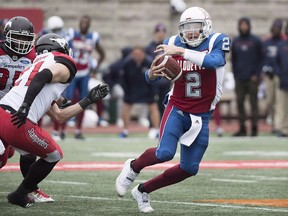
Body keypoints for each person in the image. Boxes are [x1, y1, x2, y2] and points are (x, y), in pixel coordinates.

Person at [115, 7, 230, 213]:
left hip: (202, 115)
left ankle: (142, 190)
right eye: (187, 28)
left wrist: (182, 52)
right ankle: (133, 167)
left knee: (189, 168)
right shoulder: (171, 42)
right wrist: (150, 75)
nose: (191, 33)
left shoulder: (217, 40)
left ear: (207, 27)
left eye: (196, 28)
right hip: (177, 107)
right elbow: (151, 76)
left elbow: (215, 61)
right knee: (165, 152)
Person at [0, 33, 109, 208]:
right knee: (54, 154)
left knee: (21, 155)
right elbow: (42, 77)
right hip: (17, 119)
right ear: (61, 49)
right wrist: (26, 106)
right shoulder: (63, 62)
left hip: (2, 114)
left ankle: (29, 190)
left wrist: (88, 100)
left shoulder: (33, 67)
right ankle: (20, 194)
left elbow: (59, 115)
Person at [0, 16, 56, 203]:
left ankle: (30, 188)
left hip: (14, 110)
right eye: (17, 37)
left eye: (26, 39)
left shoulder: (34, 57)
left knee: (26, 151)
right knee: (2, 155)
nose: (22, 43)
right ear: (7, 35)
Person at [65, 15, 106, 139]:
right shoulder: (71, 34)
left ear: (89, 24)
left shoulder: (93, 37)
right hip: (72, 71)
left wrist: (96, 67)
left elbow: (102, 54)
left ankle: (78, 129)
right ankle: (66, 123)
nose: (84, 24)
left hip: (85, 72)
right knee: (69, 97)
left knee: (84, 100)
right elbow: (64, 48)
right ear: (79, 23)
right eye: (82, 22)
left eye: (86, 23)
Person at [118, 46, 160, 138]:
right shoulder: (127, 64)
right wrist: (126, 91)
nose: (137, 56)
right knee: (126, 108)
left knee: (153, 107)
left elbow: (155, 78)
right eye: (135, 54)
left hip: (147, 90)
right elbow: (123, 79)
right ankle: (125, 130)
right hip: (131, 90)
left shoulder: (150, 63)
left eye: (139, 54)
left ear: (143, 54)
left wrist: (154, 92)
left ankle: (157, 130)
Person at [231, 17, 263, 136]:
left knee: (253, 103)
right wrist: (235, 75)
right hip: (239, 78)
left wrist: (257, 74)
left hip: (252, 78)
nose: (243, 27)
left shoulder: (255, 41)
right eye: (241, 25)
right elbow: (233, 60)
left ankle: (254, 128)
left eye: (245, 24)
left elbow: (261, 59)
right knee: (240, 103)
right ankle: (242, 128)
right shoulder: (236, 41)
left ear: (249, 25)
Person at [262, 19, 284, 135]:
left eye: (278, 28)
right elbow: (263, 57)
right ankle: (273, 121)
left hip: (279, 75)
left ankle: (277, 125)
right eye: (275, 27)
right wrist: (265, 68)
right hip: (268, 75)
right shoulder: (267, 42)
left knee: (279, 101)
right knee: (269, 100)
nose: (276, 30)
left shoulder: (283, 42)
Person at [145, 23, 171, 118]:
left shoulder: (168, 46)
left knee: (165, 104)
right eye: (158, 31)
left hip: (166, 79)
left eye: (162, 31)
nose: (160, 34)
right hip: (154, 80)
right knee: (153, 104)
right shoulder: (149, 47)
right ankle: (153, 125)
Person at [275, 23, 288, 137]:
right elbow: (277, 62)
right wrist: (280, 74)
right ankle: (283, 128)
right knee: (282, 105)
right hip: (283, 79)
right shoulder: (281, 45)